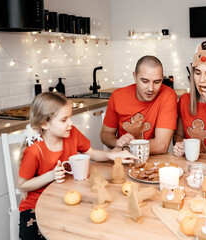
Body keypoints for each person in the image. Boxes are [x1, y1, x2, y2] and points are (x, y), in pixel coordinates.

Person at [17, 92, 137, 239]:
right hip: (34, 208)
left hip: (64, 199)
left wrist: (112, 155)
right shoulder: (35, 151)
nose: (71, 124)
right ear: (45, 124)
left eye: (70, 117)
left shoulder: (71, 133)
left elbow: (91, 153)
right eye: (64, 120)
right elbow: (21, 185)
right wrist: (51, 176)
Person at [101, 55, 177, 154]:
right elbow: (105, 134)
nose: (151, 88)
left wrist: (127, 148)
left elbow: (161, 145)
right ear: (135, 77)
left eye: (157, 82)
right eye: (145, 81)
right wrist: (118, 142)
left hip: (153, 159)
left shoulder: (168, 95)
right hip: (123, 159)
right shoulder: (117, 96)